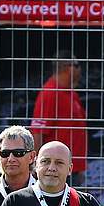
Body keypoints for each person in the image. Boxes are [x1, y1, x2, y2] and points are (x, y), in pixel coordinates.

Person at [30, 54, 88, 186]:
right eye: (78, 65)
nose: (80, 70)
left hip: (70, 167)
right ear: (69, 68)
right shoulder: (50, 93)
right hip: (56, 168)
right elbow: (38, 131)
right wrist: (37, 165)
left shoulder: (70, 93)